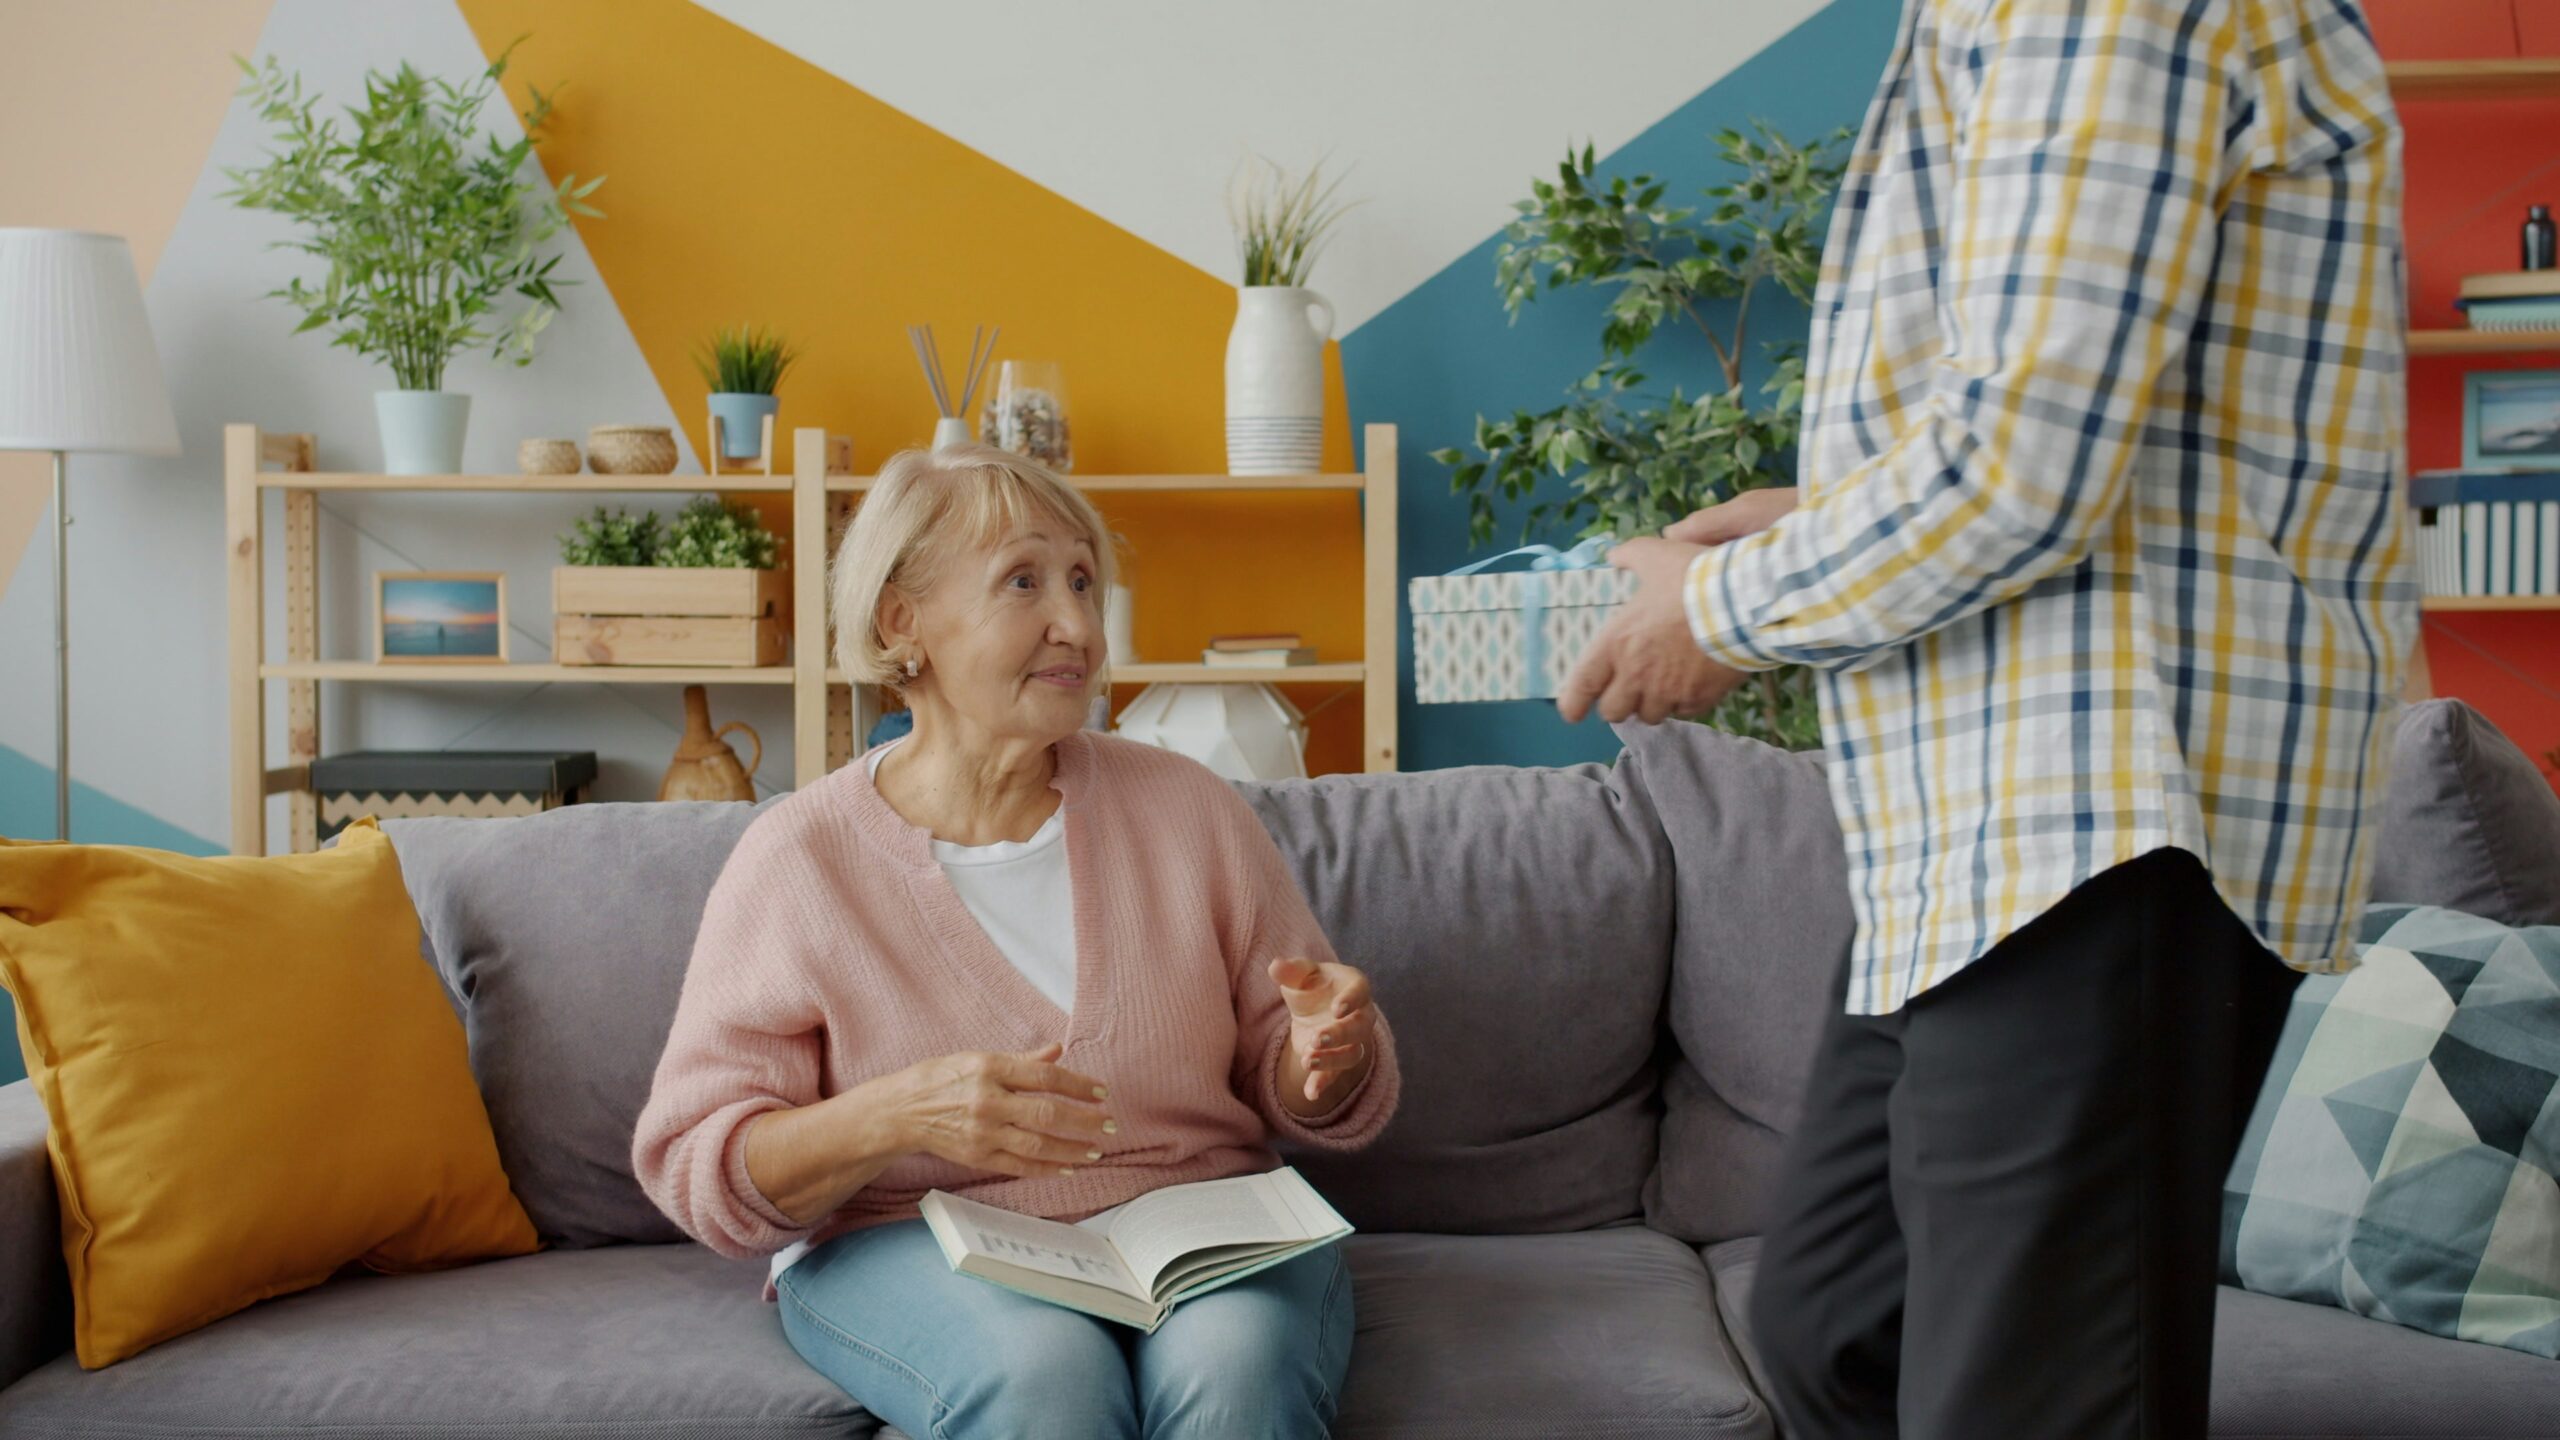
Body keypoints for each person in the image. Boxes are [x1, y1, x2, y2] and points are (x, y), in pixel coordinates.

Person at [1557, 1, 2415, 1435]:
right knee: (1841, 1330)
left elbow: (2024, 460)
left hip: (2106, 807)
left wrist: (1715, 614)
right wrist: (1818, 523)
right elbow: (2082, 429)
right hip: (1976, 826)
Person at [632, 444, 1400, 1439]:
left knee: (1236, 1367)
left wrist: (1323, 1058)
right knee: (1046, 1375)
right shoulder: (800, 858)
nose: (1076, 624)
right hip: (907, 1238)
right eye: (1024, 580)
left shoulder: (1189, 810)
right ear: (901, 620)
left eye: (1083, 580)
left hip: (1201, 1228)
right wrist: (896, 1116)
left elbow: (1288, 1074)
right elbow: (705, 1165)